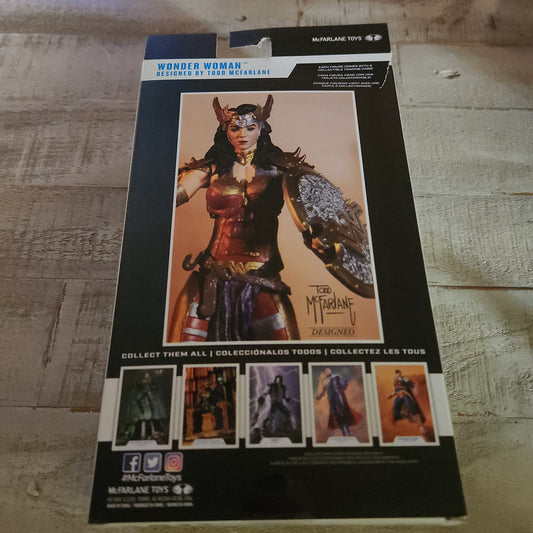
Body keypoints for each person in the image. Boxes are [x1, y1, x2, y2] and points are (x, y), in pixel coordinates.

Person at [168, 94, 372, 342]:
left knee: (282, 355)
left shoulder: (284, 170)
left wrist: (324, 243)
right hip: (212, 275)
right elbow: (170, 197)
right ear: (226, 131)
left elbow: (316, 211)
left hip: (264, 276)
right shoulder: (212, 168)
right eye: (235, 128)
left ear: (261, 129)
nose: (242, 134)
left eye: (250, 128)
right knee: (187, 350)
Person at [315, 368, 362, 436]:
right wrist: (319, 396)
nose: (327, 372)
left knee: (342, 413)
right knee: (337, 416)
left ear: (330, 371)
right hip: (332, 400)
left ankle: (348, 431)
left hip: (338, 398)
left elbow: (342, 387)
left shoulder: (336, 377)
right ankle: (344, 432)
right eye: (326, 371)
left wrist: (346, 383)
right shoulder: (325, 380)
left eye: (328, 370)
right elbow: (324, 390)